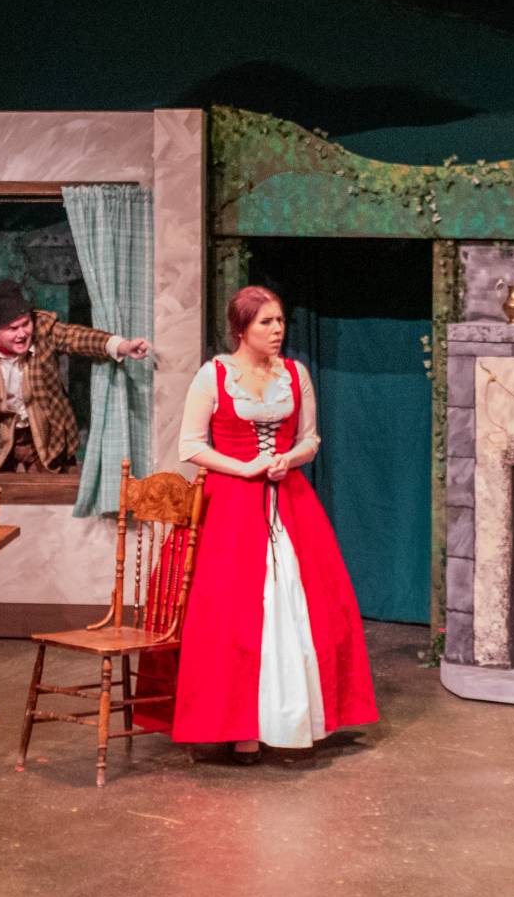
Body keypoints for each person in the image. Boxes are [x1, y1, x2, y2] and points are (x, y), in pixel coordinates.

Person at [159, 285, 377, 759]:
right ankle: (229, 724)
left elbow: (310, 439)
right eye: (266, 323)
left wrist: (287, 460)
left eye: (280, 322)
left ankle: (290, 720)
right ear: (242, 328)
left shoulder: (295, 375)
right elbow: (191, 446)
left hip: (289, 501)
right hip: (229, 503)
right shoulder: (214, 375)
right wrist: (246, 468)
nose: (277, 331)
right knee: (230, 616)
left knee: (304, 607)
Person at [0, 279, 152, 494]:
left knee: (56, 496)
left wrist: (121, 346)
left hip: (45, 434)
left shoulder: (43, 329)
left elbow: (77, 337)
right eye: (12, 328)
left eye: (25, 324)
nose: (22, 333)